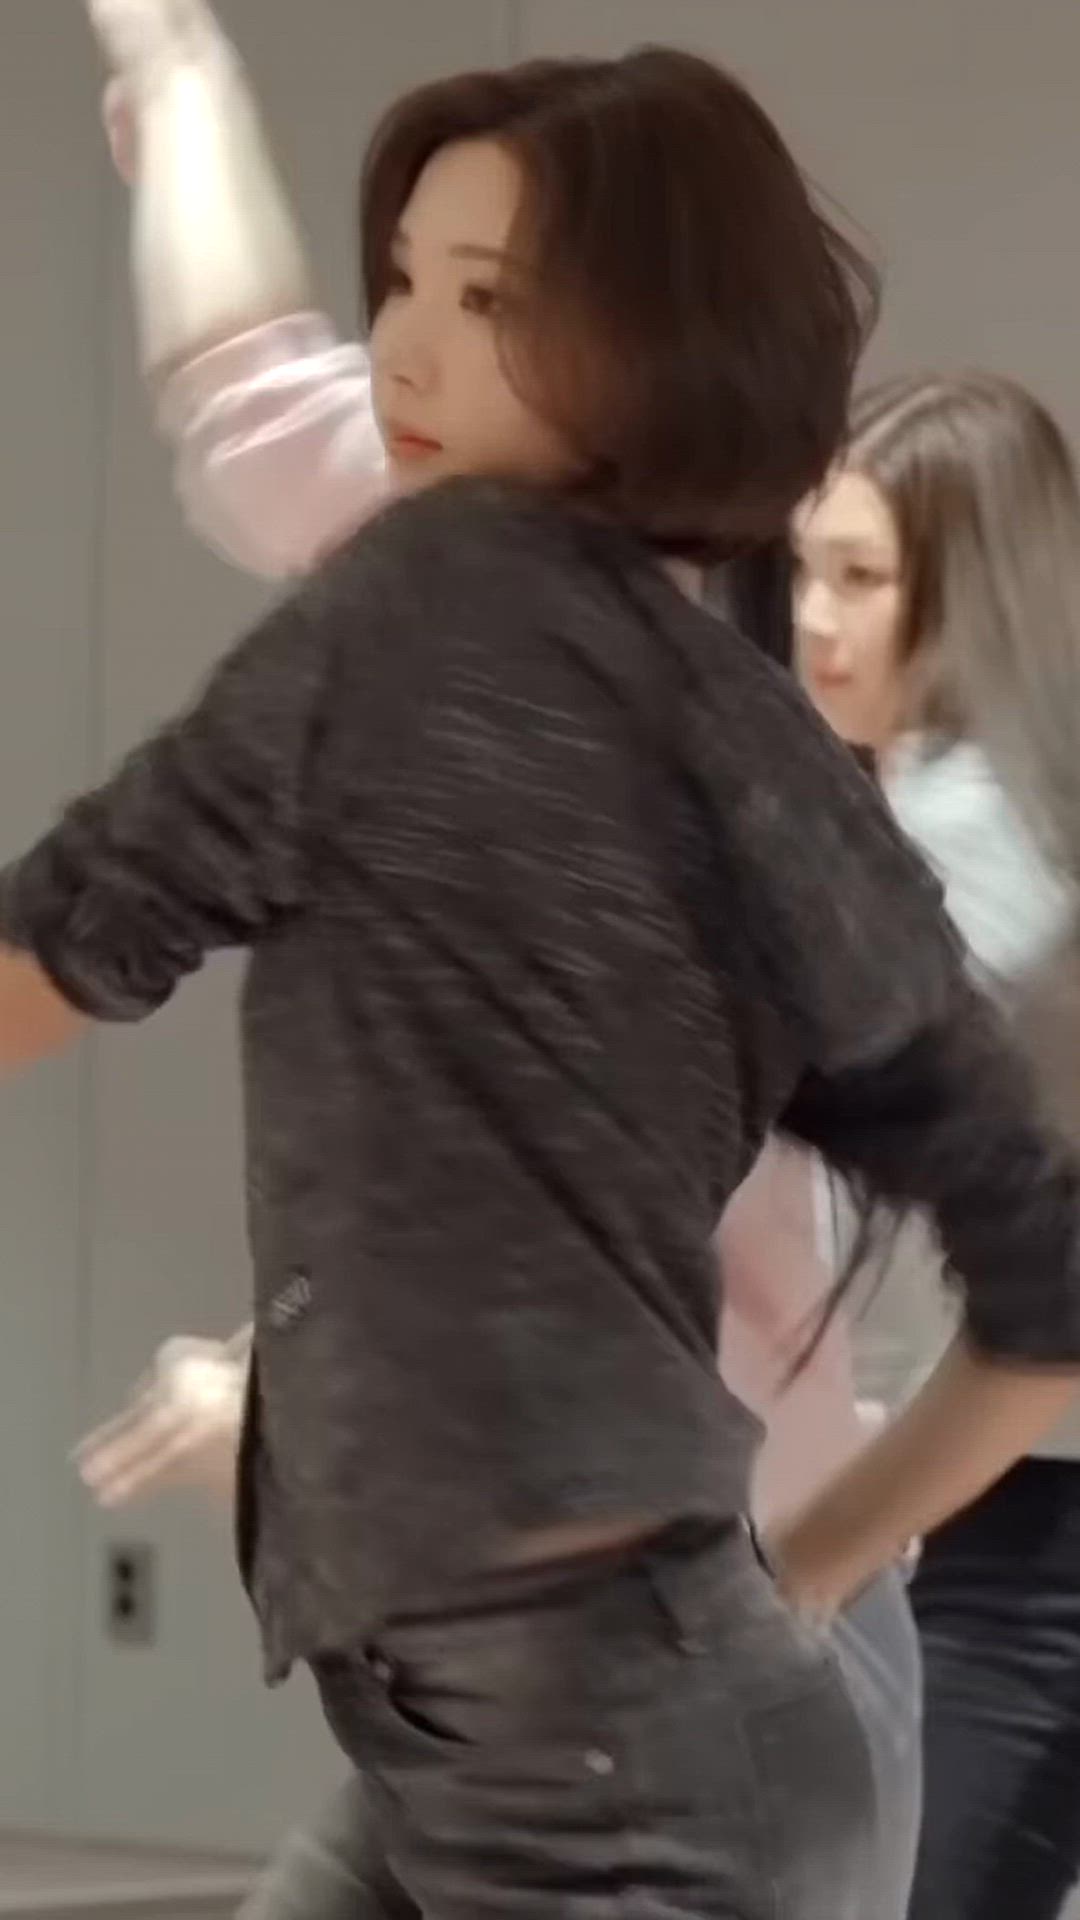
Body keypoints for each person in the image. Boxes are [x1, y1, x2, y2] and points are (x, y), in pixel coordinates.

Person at [6, 15, 1080, 1918]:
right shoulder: (752, 751)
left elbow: (69, 932)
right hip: (608, 1717)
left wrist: (807, 1563)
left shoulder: (439, 609)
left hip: (617, 1751)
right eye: (404, 281)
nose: (405, 349)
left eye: (487, 299)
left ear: (659, 343)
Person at [791, 369, 1080, 1920]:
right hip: (981, 1504)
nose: (813, 618)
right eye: (805, 569)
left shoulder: (961, 849)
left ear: (970, 595)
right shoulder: (951, 816)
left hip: (1029, 1525)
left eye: (861, 578)